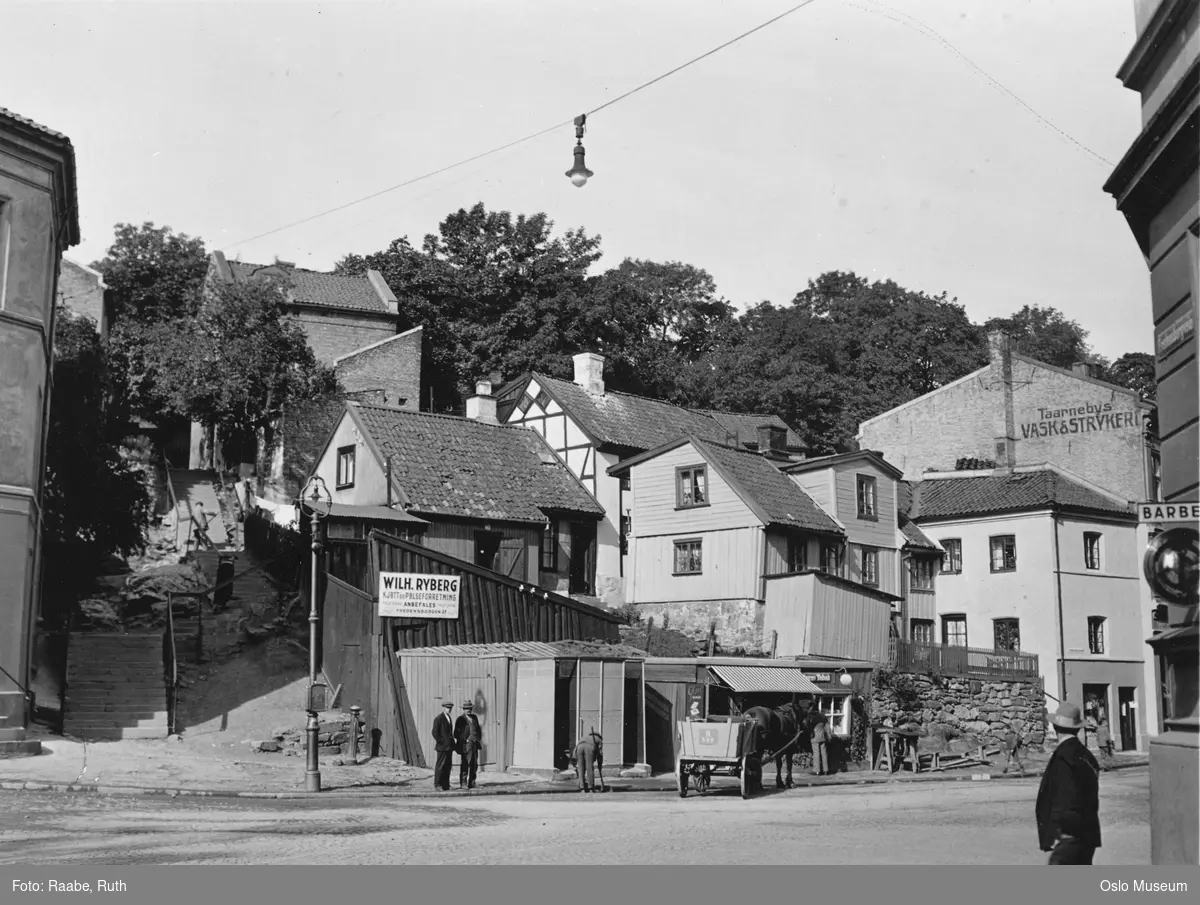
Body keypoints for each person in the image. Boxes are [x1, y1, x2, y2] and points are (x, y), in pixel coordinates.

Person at [1036, 701, 1102, 865]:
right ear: (1078, 728)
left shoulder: (1063, 759)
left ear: (1055, 728)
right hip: (1087, 834)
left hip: (1069, 837)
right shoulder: (1086, 756)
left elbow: (1065, 800)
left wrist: (1055, 834)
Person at [454, 699, 483, 789]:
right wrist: (464, 740)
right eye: (466, 708)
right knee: (466, 763)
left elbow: (478, 729)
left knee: (474, 764)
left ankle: (472, 782)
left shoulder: (474, 717)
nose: (468, 710)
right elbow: (456, 733)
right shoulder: (460, 719)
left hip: (475, 743)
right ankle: (463, 783)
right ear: (463, 709)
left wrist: (478, 738)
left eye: (470, 708)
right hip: (467, 744)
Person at [431, 701, 455, 791]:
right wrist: (442, 741)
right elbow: (434, 733)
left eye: (450, 708)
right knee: (440, 765)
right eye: (447, 708)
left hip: (449, 747)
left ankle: (446, 784)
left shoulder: (449, 718)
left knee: (448, 766)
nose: (449, 709)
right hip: (442, 747)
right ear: (443, 708)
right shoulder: (439, 718)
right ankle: (437, 784)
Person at [809, 709, 829, 776]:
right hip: (822, 737)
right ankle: (825, 770)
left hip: (815, 738)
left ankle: (817, 771)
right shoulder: (823, 716)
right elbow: (827, 727)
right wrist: (829, 736)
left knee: (816, 754)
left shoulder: (812, 718)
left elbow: (809, 727)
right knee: (824, 754)